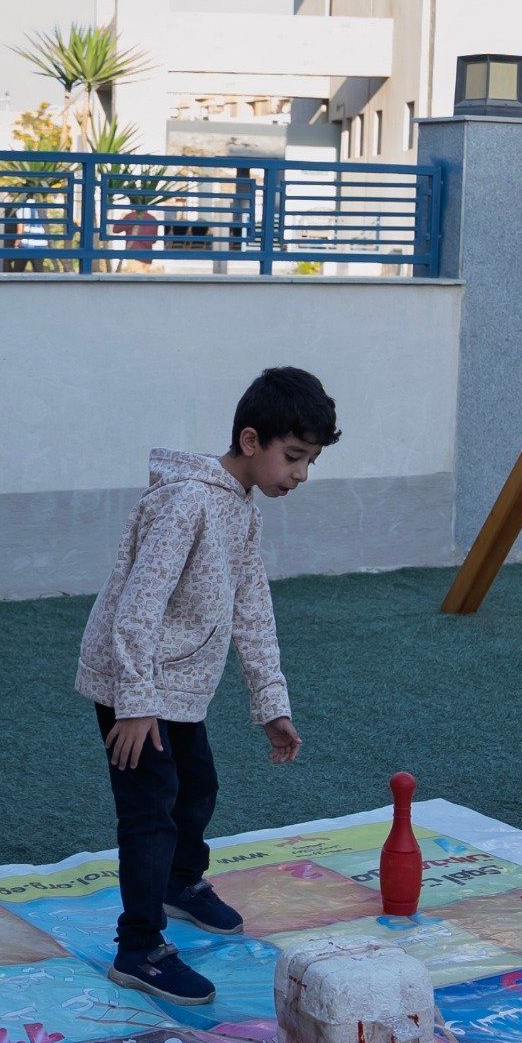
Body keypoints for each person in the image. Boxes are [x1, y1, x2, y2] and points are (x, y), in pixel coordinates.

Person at [74, 368, 333, 1006]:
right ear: (251, 439)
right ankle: (139, 948)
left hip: (178, 685)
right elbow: (138, 606)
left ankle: (180, 882)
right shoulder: (187, 501)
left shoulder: (239, 512)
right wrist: (134, 705)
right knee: (149, 812)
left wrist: (271, 704)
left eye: (309, 462)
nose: (299, 474)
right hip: (134, 683)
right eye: (293, 457)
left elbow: (253, 609)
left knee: (198, 787)